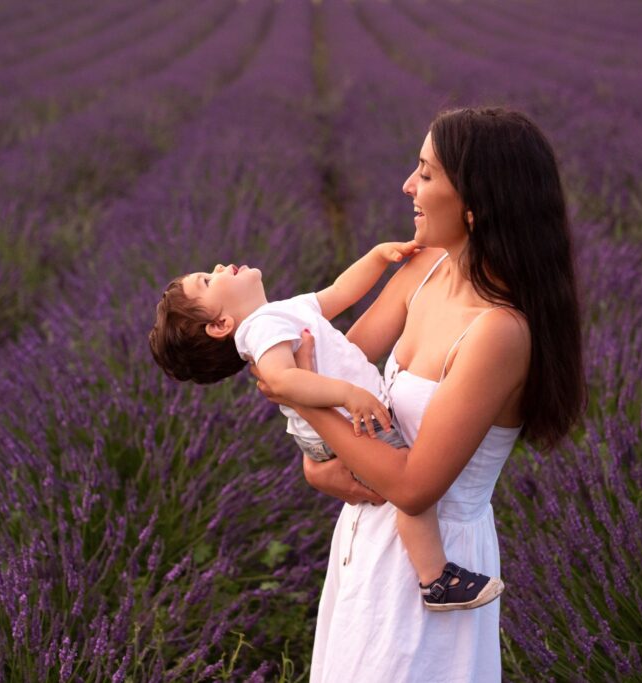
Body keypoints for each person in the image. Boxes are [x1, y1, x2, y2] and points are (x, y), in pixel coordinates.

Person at [251, 106, 586, 682]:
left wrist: (303, 400)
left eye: (427, 174)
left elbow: (411, 485)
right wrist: (310, 414)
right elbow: (332, 379)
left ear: (478, 203)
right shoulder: (423, 269)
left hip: (436, 576)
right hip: (362, 549)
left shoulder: (498, 332)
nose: (408, 185)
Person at [147, 241, 505, 611]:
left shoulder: (278, 313)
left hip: (342, 418)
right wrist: (347, 394)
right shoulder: (258, 328)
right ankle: (435, 578)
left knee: (403, 480)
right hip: (344, 423)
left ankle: (434, 576)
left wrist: (377, 257)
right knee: (409, 489)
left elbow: (337, 293)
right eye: (207, 281)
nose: (220, 266)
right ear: (221, 324)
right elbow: (282, 381)